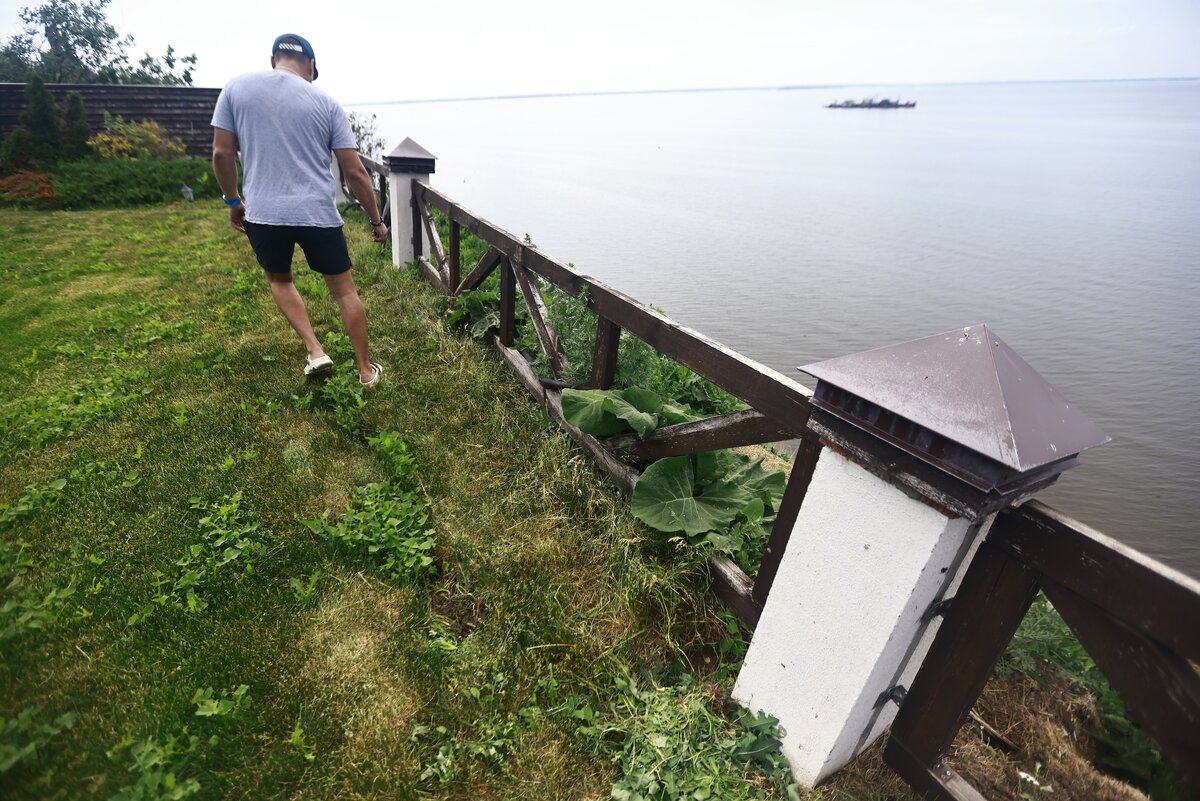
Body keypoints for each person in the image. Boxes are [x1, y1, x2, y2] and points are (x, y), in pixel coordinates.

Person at [210, 33, 388, 387]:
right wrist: (377, 221)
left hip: (263, 213)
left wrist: (232, 201)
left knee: (280, 279)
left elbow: (221, 153)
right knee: (345, 291)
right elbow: (354, 172)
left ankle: (315, 350)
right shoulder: (326, 103)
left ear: (274, 59)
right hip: (317, 214)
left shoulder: (236, 88)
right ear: (310, 66)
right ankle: (366, 372)